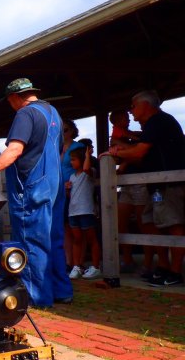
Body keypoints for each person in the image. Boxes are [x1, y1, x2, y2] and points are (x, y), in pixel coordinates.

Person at [0, 78, 72, 307]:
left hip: (32, 188)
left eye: (9, 101)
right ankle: (62, 291)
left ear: (15, 97)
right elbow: (59, 149)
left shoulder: (25, 114)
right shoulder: (53, 112)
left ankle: (36, 297)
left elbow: (14, 150)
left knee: (31, 240)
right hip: (54, 186)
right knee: (54, 239)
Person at [107, 90, 185, 286]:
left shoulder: (158, 121)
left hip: (169, 183)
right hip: (157, 184)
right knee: (151, 222)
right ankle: (163, 267)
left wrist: (117, 152)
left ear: (146, 105)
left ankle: (175, 272)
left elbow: (139, 153)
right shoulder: (152, 124)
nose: (131, 111)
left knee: (173, 222)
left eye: (133, 106)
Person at [109, 110, 152, 274]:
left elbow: (136, 154)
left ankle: (147, 264)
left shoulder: (133, 136)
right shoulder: (121, 135)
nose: (127, 120)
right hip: (127, 184)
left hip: (139, 180)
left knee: (144, 223)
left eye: (127, 117)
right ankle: (128, 259)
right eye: (123, 117)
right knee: (121, 222)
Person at [66, 147, 102, 280]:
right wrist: (68, 190)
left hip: (86, 210)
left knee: (92, 239)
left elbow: (86, 169)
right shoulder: (72, 176)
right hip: (73, 212)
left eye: (74, 160)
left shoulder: (90, 172)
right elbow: (71, 196)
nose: (71, 162)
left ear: (82, 160)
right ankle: (77, 266)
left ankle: (96, 266)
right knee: (77, 239)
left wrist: (87, 155)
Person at [61, 119, 84, 269]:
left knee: (77, 228)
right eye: (60, 130)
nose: (63, 133)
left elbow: (83, 169)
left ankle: (78, 263)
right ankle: (68, 262)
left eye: (66, 130)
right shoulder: (56, 148)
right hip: (59, 191)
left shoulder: (78, 147)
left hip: (74, 191)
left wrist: (71, 184)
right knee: (64, 227)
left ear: (72, 131)